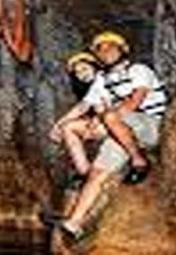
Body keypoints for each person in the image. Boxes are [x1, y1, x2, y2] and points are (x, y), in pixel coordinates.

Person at [57, 31, 169, 241]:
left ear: (122, 50)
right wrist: (63, 125)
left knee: (109, 117)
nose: (105, 51)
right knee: (97, 173)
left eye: (110, 46)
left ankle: (139, 161)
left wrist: (104, 119)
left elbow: (135, 101)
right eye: (100, 49)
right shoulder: (104, 80)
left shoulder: (138, 70)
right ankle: (73, 223)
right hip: (120, 129)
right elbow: (89, 105)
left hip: (150, 124)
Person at [49, 52, 106, 187]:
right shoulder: (94, 85)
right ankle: (84, 172)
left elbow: (87, 108)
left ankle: (89, 173)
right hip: (104, 123)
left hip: (121, 122)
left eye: (85, 69)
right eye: (78, 72)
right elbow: (83, 107)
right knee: (68, 128)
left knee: (71, 127)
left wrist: (98, 118)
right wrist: (59, 125)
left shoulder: (103, 79)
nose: (82, 74)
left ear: (94, 67)